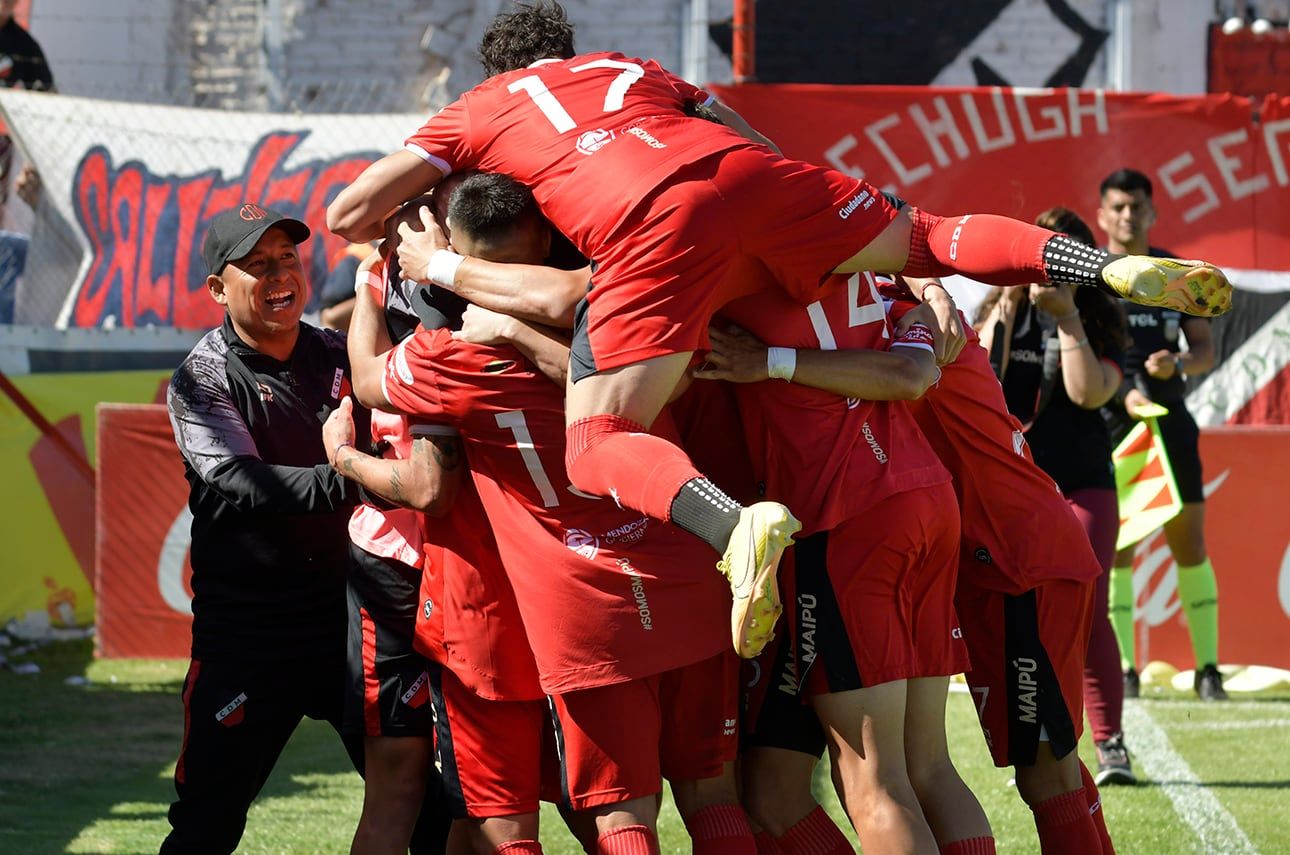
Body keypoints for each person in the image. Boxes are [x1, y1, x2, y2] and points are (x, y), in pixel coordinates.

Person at [328, 1, 1232, 662]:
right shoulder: (633, 71)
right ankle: (1099, 266)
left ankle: (735, 530)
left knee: (597, 438)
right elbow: (744, 135)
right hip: (758, 189)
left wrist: (427, 246)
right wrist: (804, 217)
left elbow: (348, 212)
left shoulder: (484, 109)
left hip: (671, 259)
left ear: (496, 74)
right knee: (930, 233)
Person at [348, 172, 756, 855]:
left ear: (457, 253)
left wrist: (371, 283)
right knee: (714, 797)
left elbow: (368, 382)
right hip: (685, 568)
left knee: (618, 814)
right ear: (544, 236)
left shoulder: (449, 356)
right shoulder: (618, 318)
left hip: (585, 601)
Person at [162, 204, 449, 853]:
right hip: (247, 635)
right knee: (207, 821)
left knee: (421, 802)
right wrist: (364, 476)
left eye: (287, 258)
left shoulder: (336, 351)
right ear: (218, 289)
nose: (279, 275)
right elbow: (245, 485)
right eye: (257, 265)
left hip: (346, 619)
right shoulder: (201, 377)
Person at [696, 270, 994, 855]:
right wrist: (932, 289)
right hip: (924, 500)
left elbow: (910, 373)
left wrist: (771, 361)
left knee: (873, 780)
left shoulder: (745, 261)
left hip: (848, 516)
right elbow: (915, 343)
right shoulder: (873, 272)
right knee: (927, 766)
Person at [975, 208, 1135, 785]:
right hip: (1016, 486)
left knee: (1088, 607)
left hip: (1083, 481)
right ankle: (1037, 738)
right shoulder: (1006, 306)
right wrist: (1006, 301)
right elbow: (981, 384)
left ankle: (1110, 742)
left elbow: (1088, 393)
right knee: (1020, 610)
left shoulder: (1101, 316)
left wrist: (1067, 317)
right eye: (1046, 257)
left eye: (1068, 261)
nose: (1053, 271)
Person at [1095, 168, 1225, 702]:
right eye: (1118, 207)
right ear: (1102, 215)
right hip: (1111, 425)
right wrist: (1123, 392)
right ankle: (1125, 669)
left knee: (1189, 543)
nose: (1128, 216)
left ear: (1152, 212)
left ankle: (1209, 670)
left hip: (1171, 421)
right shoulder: (1092, 273)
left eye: (1137, 206)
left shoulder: (1178, 276)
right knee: (1117, 548)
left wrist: (1179, 364)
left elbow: (1205, 350)